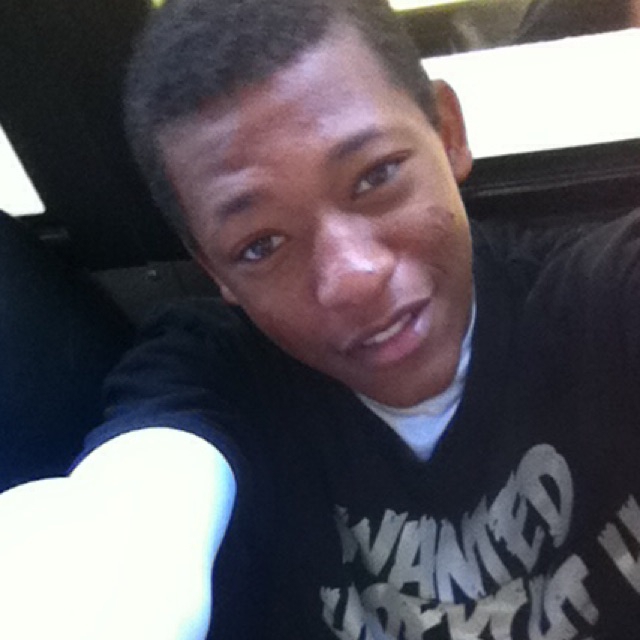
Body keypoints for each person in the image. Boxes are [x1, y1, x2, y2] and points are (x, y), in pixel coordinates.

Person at [1, 0, 639, 638]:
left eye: (376, 176)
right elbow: (134, 504)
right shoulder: (219, 379)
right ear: (214, 269)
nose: (353, 278)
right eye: (261, 245)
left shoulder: (596, 300)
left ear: (448, 132)